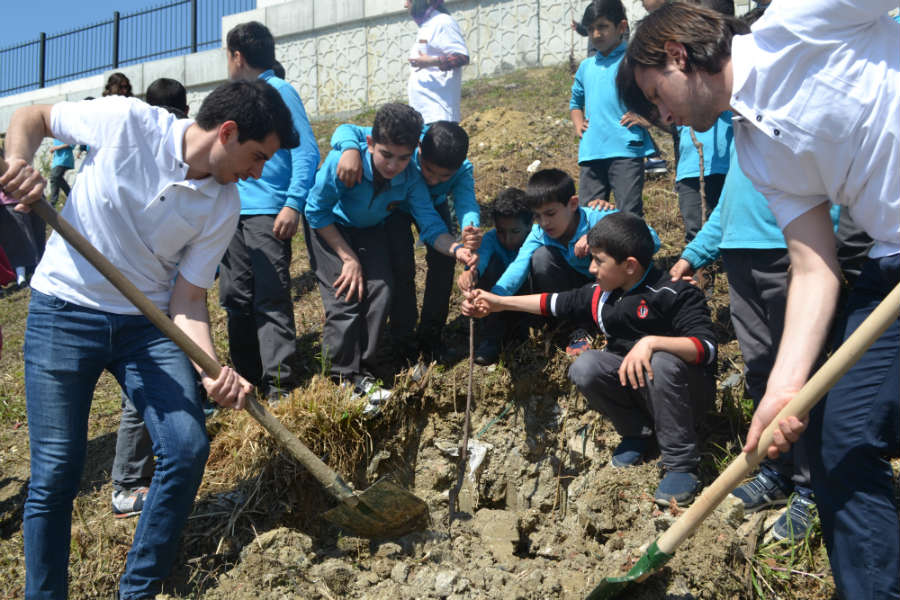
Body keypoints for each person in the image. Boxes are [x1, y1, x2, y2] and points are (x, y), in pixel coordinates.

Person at [618, 3, 899, 597]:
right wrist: (781, 389)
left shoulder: (801, 18)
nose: (660, 115)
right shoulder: (754, 148)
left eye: (655, 95)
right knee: (836, 436)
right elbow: (814, 264)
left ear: (677, 55)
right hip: (890, 262)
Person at [0, 79, 298, 599]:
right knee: (56, 474)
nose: (259, 171)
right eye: (257, 156)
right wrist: (20, 164)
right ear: (226, 132)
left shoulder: (223, 204)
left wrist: (211, 369)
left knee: (186, 447)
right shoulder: (128, 123)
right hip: (63, 312)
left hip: (146, 325)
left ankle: (137, 589)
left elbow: (186, 299)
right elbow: (33, 117)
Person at [464, 211, 717, 505]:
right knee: (586, 366)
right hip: (641, 392)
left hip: (686, 397)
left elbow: (707, 348)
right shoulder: (604, 294)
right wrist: (499, 303)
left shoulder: (674, 293)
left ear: (630, 266)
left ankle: (681, 463)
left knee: (660, 360)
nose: (592, 268)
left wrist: (652, 343)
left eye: (599, 261)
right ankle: (638, 434)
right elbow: (553, 302)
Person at [304, 103, 476, 411]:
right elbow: (315, 212)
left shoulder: (410, 176)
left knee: (382, 288)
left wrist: (456, 248)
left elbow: (430, 221)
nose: (393, 165)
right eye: (386, 155)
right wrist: (348, 258)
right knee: (345, 297)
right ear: (370, 144)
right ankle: (340, 380)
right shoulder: (345, 164)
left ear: (413, 151)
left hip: (370, 230)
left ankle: (367, 372)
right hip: (330, 228)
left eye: (402, 157)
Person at [109, 77, 194, 520]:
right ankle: (125, 483)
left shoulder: (181, 160)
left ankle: (138, 473)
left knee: (155, 390)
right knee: (139, 395)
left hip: (166, 292)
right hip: (133, 299)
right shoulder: (142, 145)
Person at [221, 22, 320, 402]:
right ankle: (247, 382)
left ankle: (281, 385)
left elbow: (306, 151)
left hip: (268, 212)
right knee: (235, 298)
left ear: (237, 56)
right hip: (231, 212)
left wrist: (293, 203)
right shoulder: (235, 99)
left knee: (271, 297)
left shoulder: (280, 92)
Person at [329, 120, 481, 360]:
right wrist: (349, 149)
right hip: (394, 208)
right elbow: (348, 129)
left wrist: (470, 226)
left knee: (443, 264)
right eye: (428, 170)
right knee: (402, 268)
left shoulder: (461, 170)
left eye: (444, 177)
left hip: (432, 208)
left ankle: (431, 336)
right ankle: (403, 338)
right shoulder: (405, 141)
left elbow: (466, 201)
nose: (432, 180)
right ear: (418, 148)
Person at [488, 168, 659, 354]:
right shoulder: (539, 234)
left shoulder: (598, 217)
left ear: (573, 203)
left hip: (614, 287)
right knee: (541, 258)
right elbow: (518, 267)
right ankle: (574, 328)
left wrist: (598, 236)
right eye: (537, 216)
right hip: (576, 293)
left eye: (550, 214)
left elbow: (652, 240)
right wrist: (495, 296)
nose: (544, 223)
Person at [570, 0, 656, 216]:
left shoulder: (634, 60)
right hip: (592, 151)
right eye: (591, 29)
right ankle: (595, 251)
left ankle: (631, 250)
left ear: (621, 27)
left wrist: (647, 118)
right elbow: (575, 102)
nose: (597, 34)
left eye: (602, 26)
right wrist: (579, 123)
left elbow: (656, 94)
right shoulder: (586, 67)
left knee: (628, 212)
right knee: (589, 213)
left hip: (625, 149)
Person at [457, 187, 532, 365]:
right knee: (490, 266)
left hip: (528, 298)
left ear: (529, 225)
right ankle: (492, 338)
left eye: (515, 232)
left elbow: (519, 271)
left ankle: (531, 330)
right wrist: (470, 274)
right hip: (494, 303)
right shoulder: (491, 240)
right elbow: (479, 262)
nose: (507, 239)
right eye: (501, 231)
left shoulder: (536, 237)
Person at [405, 0, 469, 124]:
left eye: (409, 0)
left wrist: (432, 61)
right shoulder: (427, 26)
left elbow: (462, 57)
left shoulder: (443, 22)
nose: (405, 5)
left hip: (439, 114)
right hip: (424, 116)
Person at [46, 138, 74, 207]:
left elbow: (72, 143)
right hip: (57, 160)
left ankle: (52, 202)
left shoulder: (67, 132)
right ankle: (72, 197)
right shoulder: (56, 135)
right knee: (57, 178)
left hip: (64, 158)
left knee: (54, 177)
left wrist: (56, 148)